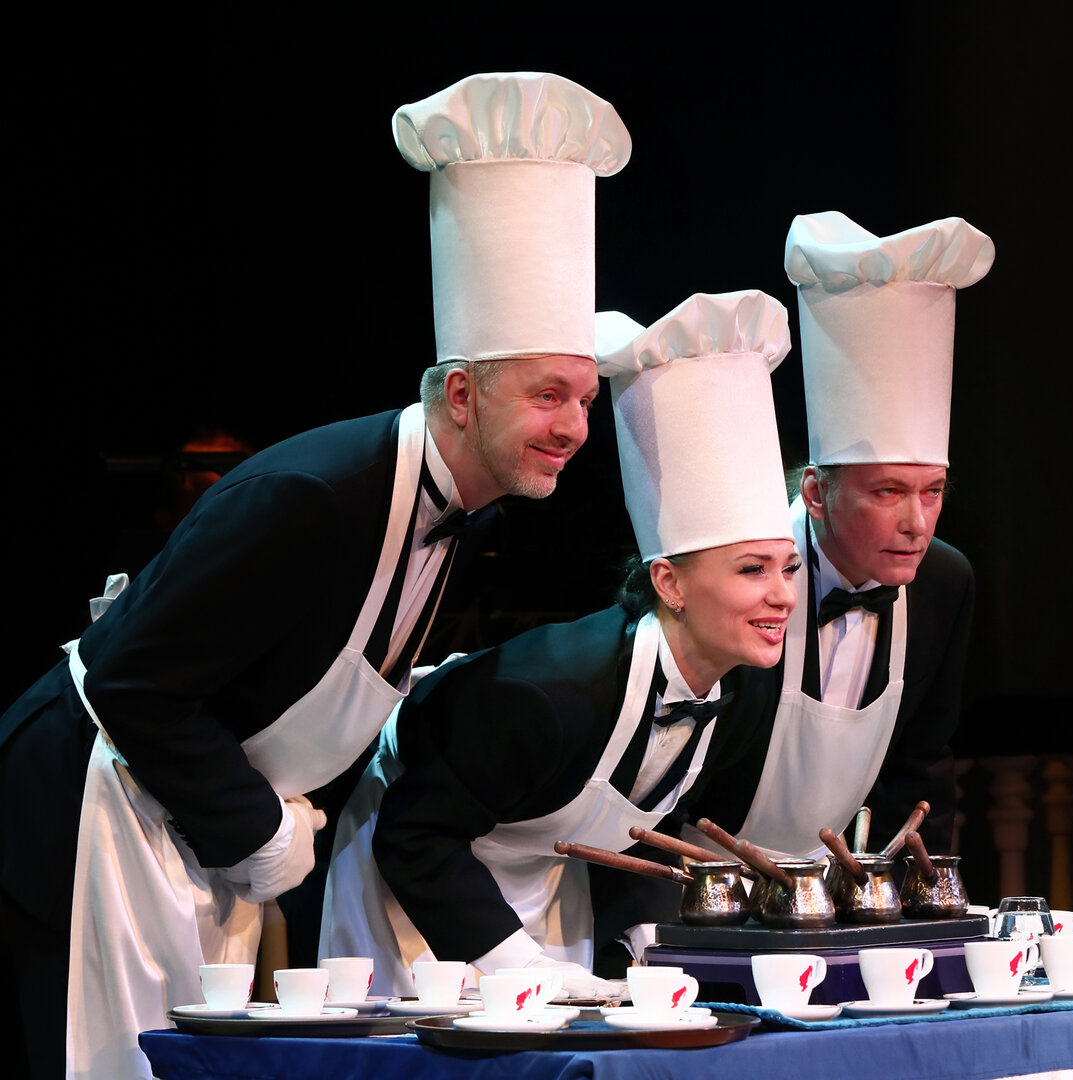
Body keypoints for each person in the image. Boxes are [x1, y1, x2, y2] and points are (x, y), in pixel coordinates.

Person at [0, 70, 629, 1080]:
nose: (574, 429)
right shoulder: (312, 494)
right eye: (548, 394)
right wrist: (257, 827)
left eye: (586, 401)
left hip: (187, 830)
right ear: (461, 394)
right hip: (98, 804)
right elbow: (132, 681)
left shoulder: (457, 516)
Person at [320, 290, 797, 997]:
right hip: (420, 884)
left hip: (545, 876)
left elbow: (655, 834)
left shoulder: (743, 686)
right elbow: (415, 837)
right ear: (668, 583)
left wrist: (648, 940)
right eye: (752, 570)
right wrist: (519, 967)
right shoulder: (547, 695)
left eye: (789, 568)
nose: (783, 596)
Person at [681, 213, 994, 859]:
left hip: (826, 885)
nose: (916, 523)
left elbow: (921, 764)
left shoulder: (944, 579)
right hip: (697, 870)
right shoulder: (738, 571)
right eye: (887, 492)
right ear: (816, 494)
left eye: (931, 490)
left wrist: (917, 896)